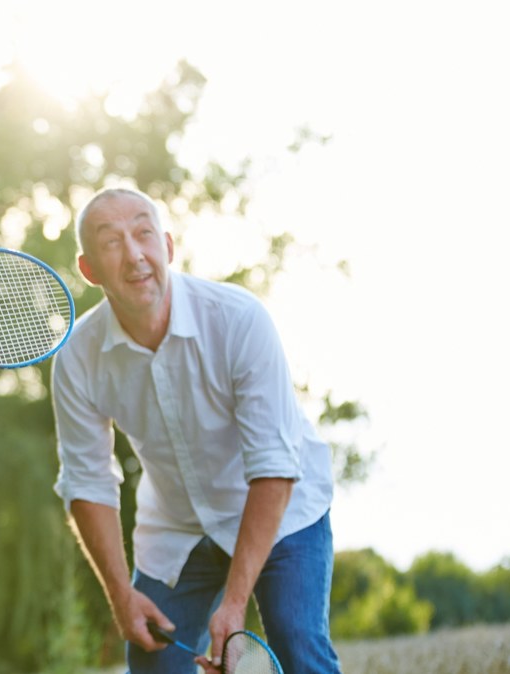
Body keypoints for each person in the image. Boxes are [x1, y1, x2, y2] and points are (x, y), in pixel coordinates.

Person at [50, 186, 341, 673]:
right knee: (150, 662)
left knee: (297, 645)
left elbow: (273, 466)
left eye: (144, 235)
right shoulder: (78, 358)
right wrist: (122, 597)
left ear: (167, 246)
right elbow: (87, 482)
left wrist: (234, 605)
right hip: (178, 528)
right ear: (89, 269)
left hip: (284, 511)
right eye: (112, 242)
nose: (135, 254)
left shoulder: (238, 319)